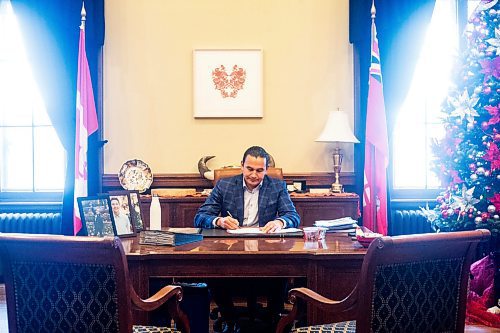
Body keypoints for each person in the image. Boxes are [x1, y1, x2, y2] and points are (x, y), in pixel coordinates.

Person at [194, 146, 300, 332]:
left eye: (259, 170)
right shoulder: (225, 185)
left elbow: (293, 216)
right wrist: (219, 220)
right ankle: (229, 319)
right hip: (231, 249)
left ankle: (273, 321)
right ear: (242, 166)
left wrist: (280, 222)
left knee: (282, 270)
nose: (254, 175)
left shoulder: (277, 186)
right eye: (250, 169)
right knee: (213, 270)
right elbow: (200, 217)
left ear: (266, 170)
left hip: (266, 250)